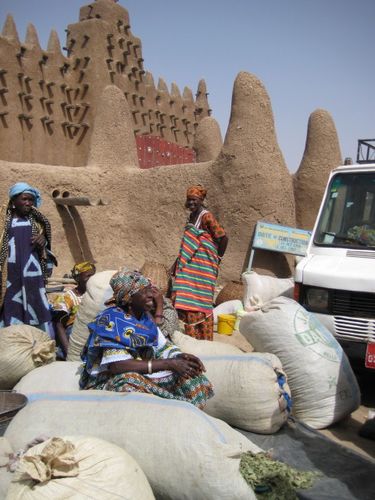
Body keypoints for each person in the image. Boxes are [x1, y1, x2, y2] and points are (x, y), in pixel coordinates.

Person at [79, 268, 214, 409]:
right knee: (129, 382)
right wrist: (169, 364)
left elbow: (162, 345)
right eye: (144, 291)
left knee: (191, 376)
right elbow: (117, 365)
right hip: (111, 378)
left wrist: (179, 356)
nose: (151, 295)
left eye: (150, 289)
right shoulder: (111, 320)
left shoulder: (145, 318)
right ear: (129, 298)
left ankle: (183, 414)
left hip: (144, 372)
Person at [171, 185, 228, 340]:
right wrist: (176, 264)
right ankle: (192, 338)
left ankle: (204, 339)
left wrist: (217, 259)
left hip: (203, 268)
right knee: (185, 300)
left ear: (201, 200)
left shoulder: (206, 216)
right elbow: (188, 246)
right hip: (190, 267)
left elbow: (223, 238)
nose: (191, 203)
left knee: (200, 303)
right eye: (189, 200)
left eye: (194, 200)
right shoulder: (191, 217)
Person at [0, 182, 57, 336]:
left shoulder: (38, 222)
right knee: (11, 308)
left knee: (37, 308)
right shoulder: (4, 222)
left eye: (31, 200)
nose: (28, 203)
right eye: (24, 199)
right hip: (10, 278)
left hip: (33, 277)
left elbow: (46, 252)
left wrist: (43, 242)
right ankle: (10, 343)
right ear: (13, 201)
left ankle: (40, 342)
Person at [52, 261, 96, 359]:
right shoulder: (68, 297)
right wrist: (69, 352)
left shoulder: (95, 296)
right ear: (77, 278)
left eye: (93, 276)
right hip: (73, 338)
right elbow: (59, 325)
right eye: (87, 276)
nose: (91, 280)